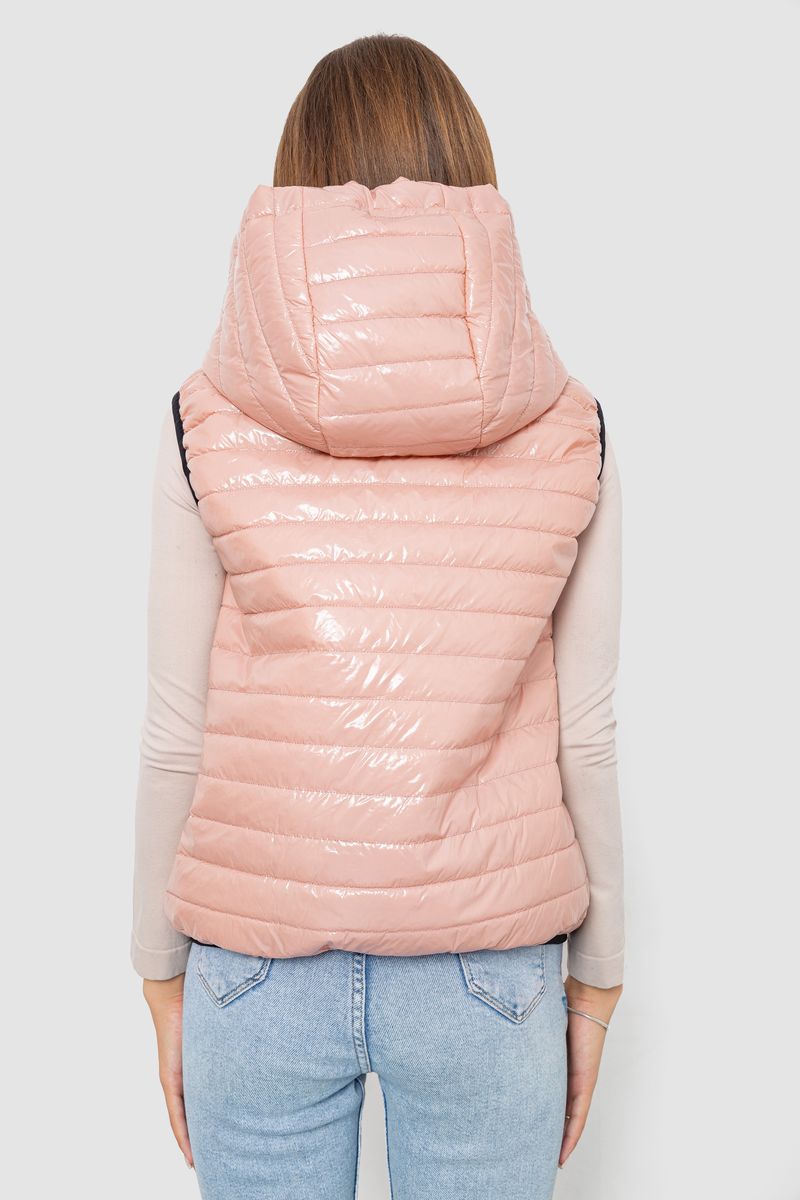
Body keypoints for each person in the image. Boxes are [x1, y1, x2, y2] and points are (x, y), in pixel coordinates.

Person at [132, 33, 624, 1200]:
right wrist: (598, 980)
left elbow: (174, 731)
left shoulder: (207, 418)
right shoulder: (570, 425)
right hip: (485, 972)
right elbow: (586, 735)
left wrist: (157, 970)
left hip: (254, 965)